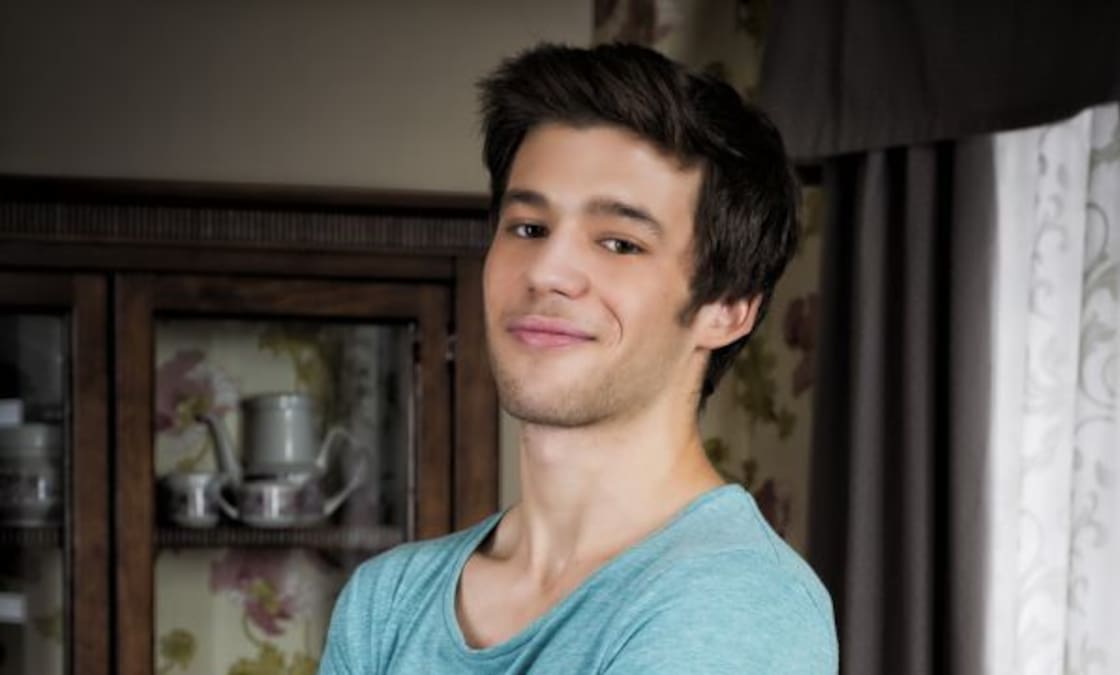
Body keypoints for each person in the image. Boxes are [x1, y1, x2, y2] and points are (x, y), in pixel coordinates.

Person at [319, 42, 837, 674]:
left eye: (619, 243)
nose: (547, 271)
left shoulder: (734, 606)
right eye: (528, 228)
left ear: (727, 309)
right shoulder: (386, 601)